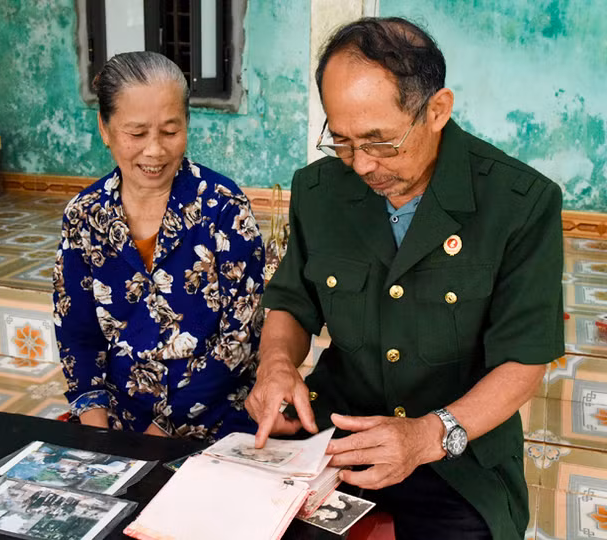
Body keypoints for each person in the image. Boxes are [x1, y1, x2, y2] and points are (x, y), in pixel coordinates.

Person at [246, 17, 564, 539]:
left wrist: (426, 437)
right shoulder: (320, 190)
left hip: (456, 457)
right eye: (343, 141)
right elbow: (292, 301)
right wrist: (276, 366)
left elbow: (524, 361)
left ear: (437, 110)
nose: (363, 164)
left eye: (381, 141)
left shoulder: (520, 204)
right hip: (333, 434)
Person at [53, 51, 265, 442]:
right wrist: (101, 439)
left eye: (170, 132)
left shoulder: (224, 208)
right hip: (117, 423)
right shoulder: (84, 215)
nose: (155, 151)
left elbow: (240, 339)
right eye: (136, 133)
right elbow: (78, 336)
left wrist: (157, 435)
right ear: (105, 128)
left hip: (215, 422)